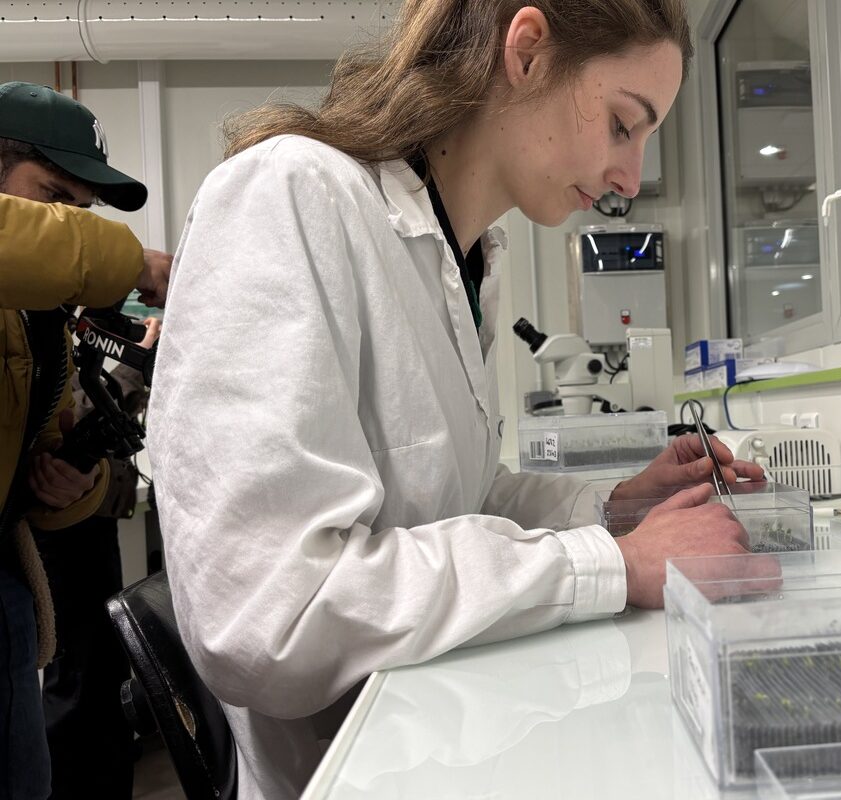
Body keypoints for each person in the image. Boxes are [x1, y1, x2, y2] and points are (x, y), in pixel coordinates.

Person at [149, 3, 761, 798]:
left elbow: (451, 499)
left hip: (448, 737)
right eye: (622, 124)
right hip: (356, 769)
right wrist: (611, 563)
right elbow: (274, 616)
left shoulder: (466, 261)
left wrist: (613, 510)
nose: (630, 180)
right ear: (530, 51)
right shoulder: (289, 196)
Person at [0, 81, 171, 800]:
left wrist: (73, 485)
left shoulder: (43, 325)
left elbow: (47, 475)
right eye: (52, 194)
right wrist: (136, 266)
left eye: (81, 208)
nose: (67, 219)